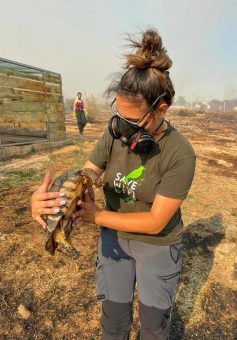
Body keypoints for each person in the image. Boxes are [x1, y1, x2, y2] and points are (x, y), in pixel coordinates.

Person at [31, 28, 196, 339]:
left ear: (161, 110)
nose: (121, 129)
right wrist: (56, 202)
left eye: (131, 122)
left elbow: (156, 220)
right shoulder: (115, 132)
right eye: (117, 116)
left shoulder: (180, 154)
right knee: (114, 322)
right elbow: (88, 173)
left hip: (157, 246)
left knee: (153, 328)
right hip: (114, 242)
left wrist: (97, 217)